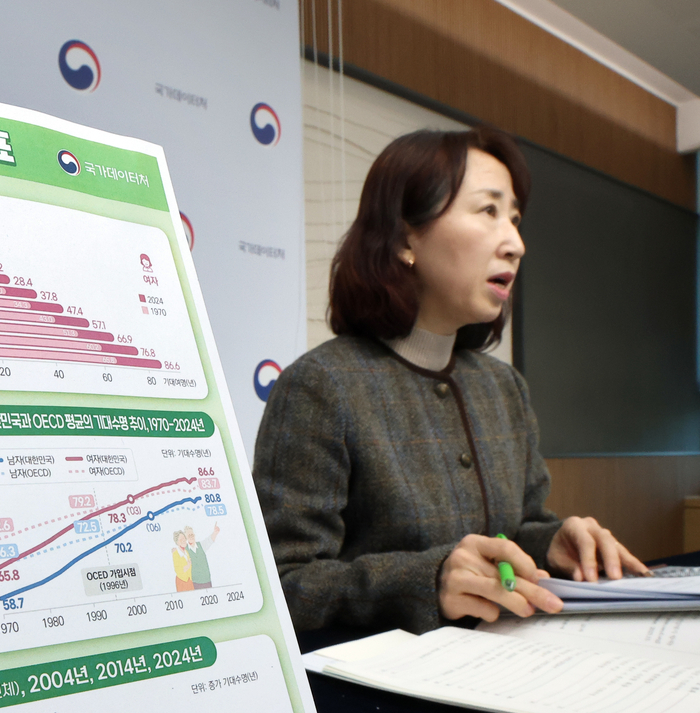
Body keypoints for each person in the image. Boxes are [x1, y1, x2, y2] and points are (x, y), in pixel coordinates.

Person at [253, 127, 649, 635]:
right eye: (489, 211)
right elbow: (282, 589)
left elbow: (514, 531)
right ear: (403, 238)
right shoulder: (320, 386)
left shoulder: (504, 387)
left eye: (516, 219)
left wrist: (549, 541)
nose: (516, 243)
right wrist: (428, 579)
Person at [185, 524, 221, 589]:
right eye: (189, 535)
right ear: (186, 538)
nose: (191, 537)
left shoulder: (201, 545)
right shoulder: (185, 550)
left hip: (206, 581)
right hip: (194, 582)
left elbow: (209, 540)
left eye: (192, 534)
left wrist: (215, 532)